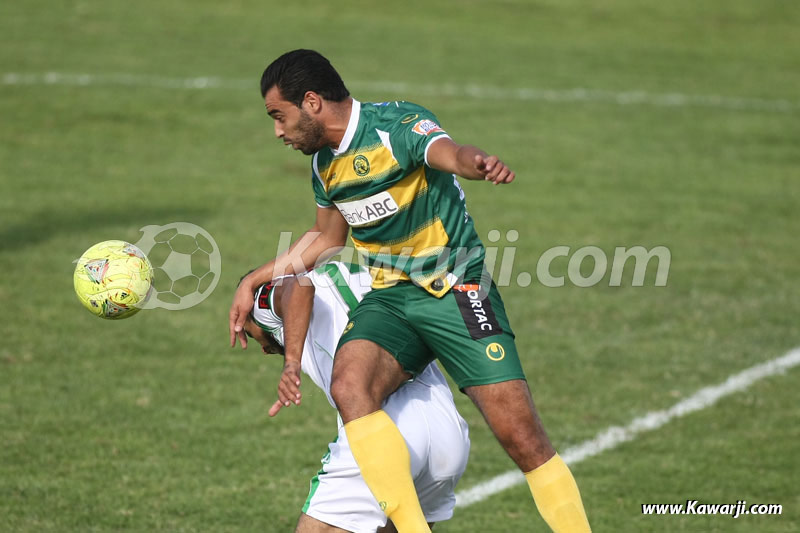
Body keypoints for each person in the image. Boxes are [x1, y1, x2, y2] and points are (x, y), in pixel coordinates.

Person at [230, 49, 591, 532]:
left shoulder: (396, 125)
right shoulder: (323, 166)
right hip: (392, 297)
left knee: (523, 439)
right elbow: (327, 240)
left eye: (279, 116)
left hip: (457, 289)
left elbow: (445, 151)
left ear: (312, 102)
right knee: (349, 386)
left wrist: (473, 162)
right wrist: (251, 278)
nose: (277, 131)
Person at [242, 261, 470, 532]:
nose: (263, 350)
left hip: (382, 427)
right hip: (446, 430)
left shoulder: (260, 298)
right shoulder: (368, 275)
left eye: (249, 333)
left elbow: (299, 286)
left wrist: (291, 362)